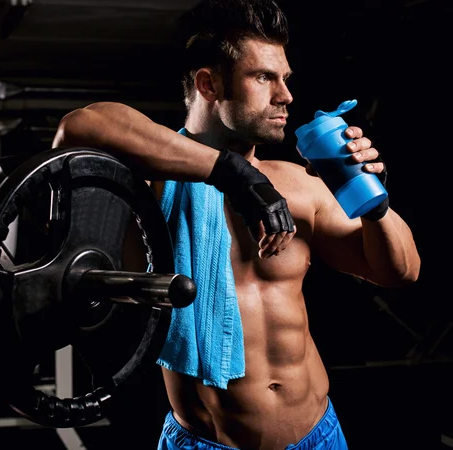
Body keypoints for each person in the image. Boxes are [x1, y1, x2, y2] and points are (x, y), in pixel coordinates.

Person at [51, 0, 421, 448]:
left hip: (317, 434)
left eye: (285, 79)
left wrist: (369, 197)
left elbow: (400, 272)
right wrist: (232, 173)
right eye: (264, 77)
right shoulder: (150, 184)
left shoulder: (298, 185)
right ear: (209, 84)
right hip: (206, 440)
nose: (285, 95)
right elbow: (81, 126)